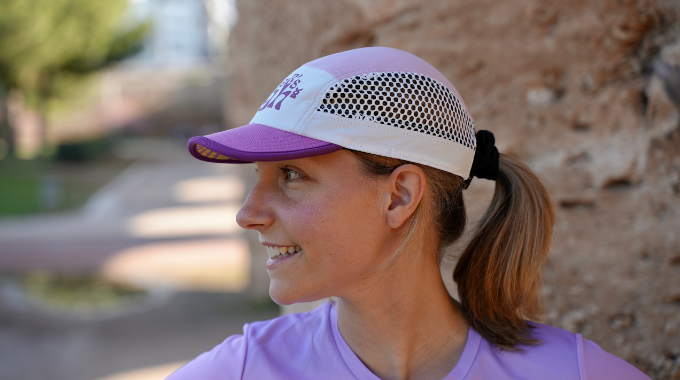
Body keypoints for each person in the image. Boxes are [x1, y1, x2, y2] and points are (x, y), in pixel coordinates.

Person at [167, 47, 650, 380]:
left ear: (399, 196)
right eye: (259, 179)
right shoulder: (245, 369)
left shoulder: (571, 372)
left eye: (292, 175)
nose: (248, 214)